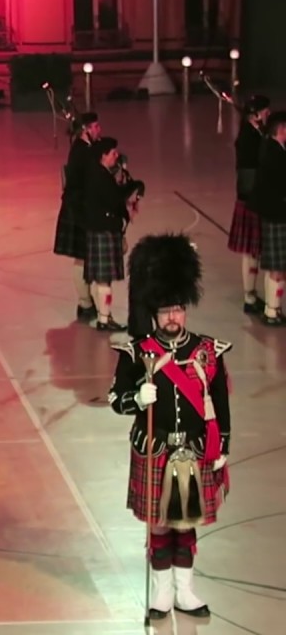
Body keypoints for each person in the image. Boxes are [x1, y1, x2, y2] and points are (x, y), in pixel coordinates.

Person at [107, 233, 230, 619]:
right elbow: (115, 399)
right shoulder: (137, 353)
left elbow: (221, 403)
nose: (173, 317)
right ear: (155, 314)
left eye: (178, 309)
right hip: (154, 448)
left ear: (186, 309)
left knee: (186, 523)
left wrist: (221, 448)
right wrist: (135, 399)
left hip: (194, 450)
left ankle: (186, 592)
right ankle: (162, 594)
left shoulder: (208, 351)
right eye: (165, 311)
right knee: (159, 526)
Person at [79, 137, 132, 331]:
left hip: (99, 229)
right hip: (104, 230)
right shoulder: (100, 177)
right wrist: (128, 190)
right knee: (104, 280)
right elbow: (113, 200)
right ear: (104, 156)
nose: (116, 156)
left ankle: (104, 316)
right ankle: (104, 318)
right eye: (113, 153)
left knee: (104, 280)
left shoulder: (99, 173)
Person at [53, 113, 102, 320]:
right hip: (79, 208)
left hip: (81, 206)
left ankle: (86, 304)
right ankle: (85, 304)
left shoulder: (85, 149)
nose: (99, 129)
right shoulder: (82, 152)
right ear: (86, 129)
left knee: (84, 257)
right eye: (96, 126)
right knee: (82, 258)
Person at [230, 96, 271, 314]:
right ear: (256, 114)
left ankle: (251, 295)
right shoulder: (248, 139)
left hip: (253, 198)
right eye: (265, 111)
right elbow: (251, 171)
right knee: (251, 252)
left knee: (253, 252)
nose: (268, 115)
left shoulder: (255, 134)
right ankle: (249, 296)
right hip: (252, 198)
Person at [253, 111, 286, 325]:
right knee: (278, 267)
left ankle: (272, 308)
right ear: (281, 130)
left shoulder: (271, 149)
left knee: (277, 266)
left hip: (274, 213)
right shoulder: (276, 154)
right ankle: (272, 311)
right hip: (277, 214)